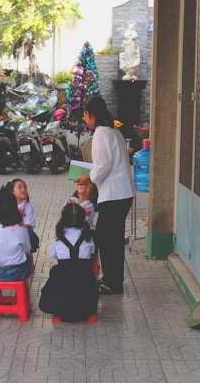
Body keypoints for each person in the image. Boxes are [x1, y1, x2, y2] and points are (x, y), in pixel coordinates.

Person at [75, 96, 136, 295]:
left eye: (85, 115)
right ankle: (114, 280)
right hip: (123, 192)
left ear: (90, 114)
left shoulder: (101, 133)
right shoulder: (113, 130)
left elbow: (102, 166)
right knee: (114, 238)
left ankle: (111, 281)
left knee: (105, 237)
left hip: (114, 194)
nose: (85, 119)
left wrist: (87, 178)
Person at [39, 203, 99, 320]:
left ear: (62, 219)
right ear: (83, 219)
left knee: (56, 274)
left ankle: (60, 310)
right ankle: (88, 311)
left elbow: (55, 255)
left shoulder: (59, 236)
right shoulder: (88, 235)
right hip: (84, 276)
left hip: (63, 276)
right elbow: (91, 253)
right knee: (89, 278)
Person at [0, 186, 33, 281]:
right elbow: (27, 249)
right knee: (28, 258)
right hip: (16, 273)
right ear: (15, 210)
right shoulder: (21, 231)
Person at [5, 178, 40, 253]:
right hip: (10, 231)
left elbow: (28, 224)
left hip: (25, 231)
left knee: (29, 242)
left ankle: (30, 262)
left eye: (25, 187)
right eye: (19, 187)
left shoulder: (28, 206)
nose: (23, 190)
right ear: (12, 191)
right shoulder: (7, 206)